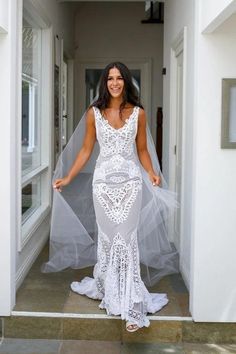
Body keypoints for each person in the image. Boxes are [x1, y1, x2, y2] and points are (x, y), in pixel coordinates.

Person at [49, 62, 178, 332]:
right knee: (108, 241)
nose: (115, 83)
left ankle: (131, 305)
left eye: (119, 78)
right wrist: (69, 177)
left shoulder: (138, 114)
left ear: (126, 82)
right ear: (105, 83)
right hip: (103, 187)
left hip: (130, 184)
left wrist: (152, 173)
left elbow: (142, 149)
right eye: (110, 78)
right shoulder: (94, 113)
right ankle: (110, 289)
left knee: (127, 240)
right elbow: (86, 150)